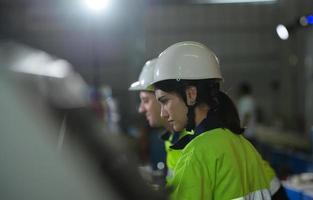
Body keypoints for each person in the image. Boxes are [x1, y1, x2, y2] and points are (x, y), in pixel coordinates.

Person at [152, 41, 287, 199]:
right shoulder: (244, 147)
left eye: (165, 101)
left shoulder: (195, 155)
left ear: (190, 94)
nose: (162, 113)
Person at [129, 58, 189, 183]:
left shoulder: (191, 143)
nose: (141, 109)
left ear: (161, 97)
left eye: (145, 101)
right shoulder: (172, 140)